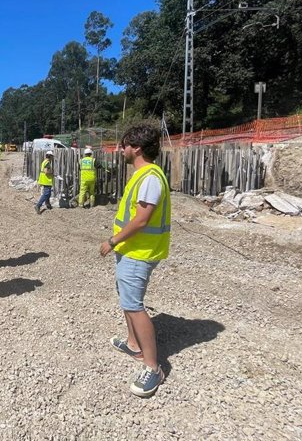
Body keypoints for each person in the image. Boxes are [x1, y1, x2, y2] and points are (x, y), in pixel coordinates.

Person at [99, 123, 171, 398]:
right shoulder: (143, 175)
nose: (121, 150)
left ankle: (153, 368)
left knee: (134, 305)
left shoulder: (150, 177)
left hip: (139, 252)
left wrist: (112, 242)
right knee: (126, 298)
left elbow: (142, 219)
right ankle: (133, 344)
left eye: (124, 145)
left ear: (136, 148)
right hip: (131, 250)